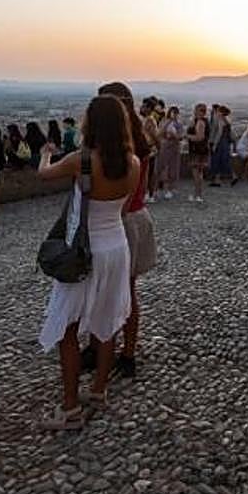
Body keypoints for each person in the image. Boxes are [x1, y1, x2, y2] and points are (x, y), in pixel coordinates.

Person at [36, 95, 140, 430]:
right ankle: (98, 391)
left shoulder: (79, 160)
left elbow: (44, 175)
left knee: (67, 328)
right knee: (107, 321)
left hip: (83, 250)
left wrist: (45, 154)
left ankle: (69, 408)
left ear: (90, 123)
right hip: (116, 247)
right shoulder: (133, 163)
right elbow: (122, 210)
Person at [97, 82, 158, 379]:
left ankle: (99, 347)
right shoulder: (142, 142)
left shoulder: (114, 148)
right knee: (128, 292)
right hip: (138, 216)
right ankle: (128, 353)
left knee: (101, 293)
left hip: (114, 221)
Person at [155, 106, 182, 199]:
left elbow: (180, 136)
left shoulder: (178, 124)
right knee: (161, 167)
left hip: (174, 146)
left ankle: (170, 189)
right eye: (172, 112)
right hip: (165, 146)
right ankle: (158, 188)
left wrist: (175, 136)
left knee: (172, 168)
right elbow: (159, 133)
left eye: (175, 113)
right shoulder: (164, 122)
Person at [186, 103, 210, 202]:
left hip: (197, 150)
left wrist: (187, 136)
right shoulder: (204, 121)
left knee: (196, 173)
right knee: (199, 173)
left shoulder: (200, 122)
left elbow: (200, 137)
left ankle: (197, 194)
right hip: (202, 150)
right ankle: (198, 194)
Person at [208, 105, 235, 186]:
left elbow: (218, 133)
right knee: (222, 161)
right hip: (225, 143)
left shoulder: (219, 120)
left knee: (216, 161)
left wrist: (213, 144)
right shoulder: (227, 120)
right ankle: (220, 179)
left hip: (220, 143)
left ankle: (218, 179)